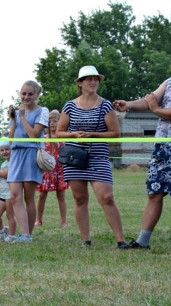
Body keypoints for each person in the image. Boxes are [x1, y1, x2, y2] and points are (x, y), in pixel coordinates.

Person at [114, 48, 171, 251]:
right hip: (162, 146)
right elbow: (148, 100)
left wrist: (155, 109)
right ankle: (143, 241)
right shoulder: (170, 82)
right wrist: (128, 105)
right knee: (154, 192)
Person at [56, 65, 129, 248]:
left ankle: (121, 240)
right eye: (89, 79)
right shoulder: (70, 106)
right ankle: (85, 240)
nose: (93, 82)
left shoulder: (105, 105)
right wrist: (74, 135)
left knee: (107, 197)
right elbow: (59, 132)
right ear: (80, 83)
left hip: (98, 157)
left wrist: (92, 135)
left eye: (96, 79)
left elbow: (115, 133)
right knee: (80, 199)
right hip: (75, 158)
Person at [6, 81, 48, 243]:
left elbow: (34, 135)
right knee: (15, 196)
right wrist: (14, 119)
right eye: (23, 94)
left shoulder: (42, 111)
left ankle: (27, 234)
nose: (26, 97)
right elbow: (10, 139)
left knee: (29, 197)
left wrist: (22, 117)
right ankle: (24, 234)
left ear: (37, 95)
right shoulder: (16, 113)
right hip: (16, 155)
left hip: (31, 154)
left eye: (30, 94)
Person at [35, 109, 68, 227]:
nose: (52, 123)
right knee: (42, 195)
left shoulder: (63, 138)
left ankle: (63, 221)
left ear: (60, 122)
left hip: (60, 171)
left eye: (55, 121)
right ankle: (38, 220)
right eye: (50, 121)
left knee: (61, 196)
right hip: (46, 172)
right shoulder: (43, 138)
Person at [0, 140, 17, 241]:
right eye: (2, 150)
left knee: (10, 215)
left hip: (10, 193)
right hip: (3, 193)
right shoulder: (3, 164)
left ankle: (11, 236)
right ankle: (3, 231)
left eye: (7, 149)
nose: (4, 152)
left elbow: (5, 175)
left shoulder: (13, 162)